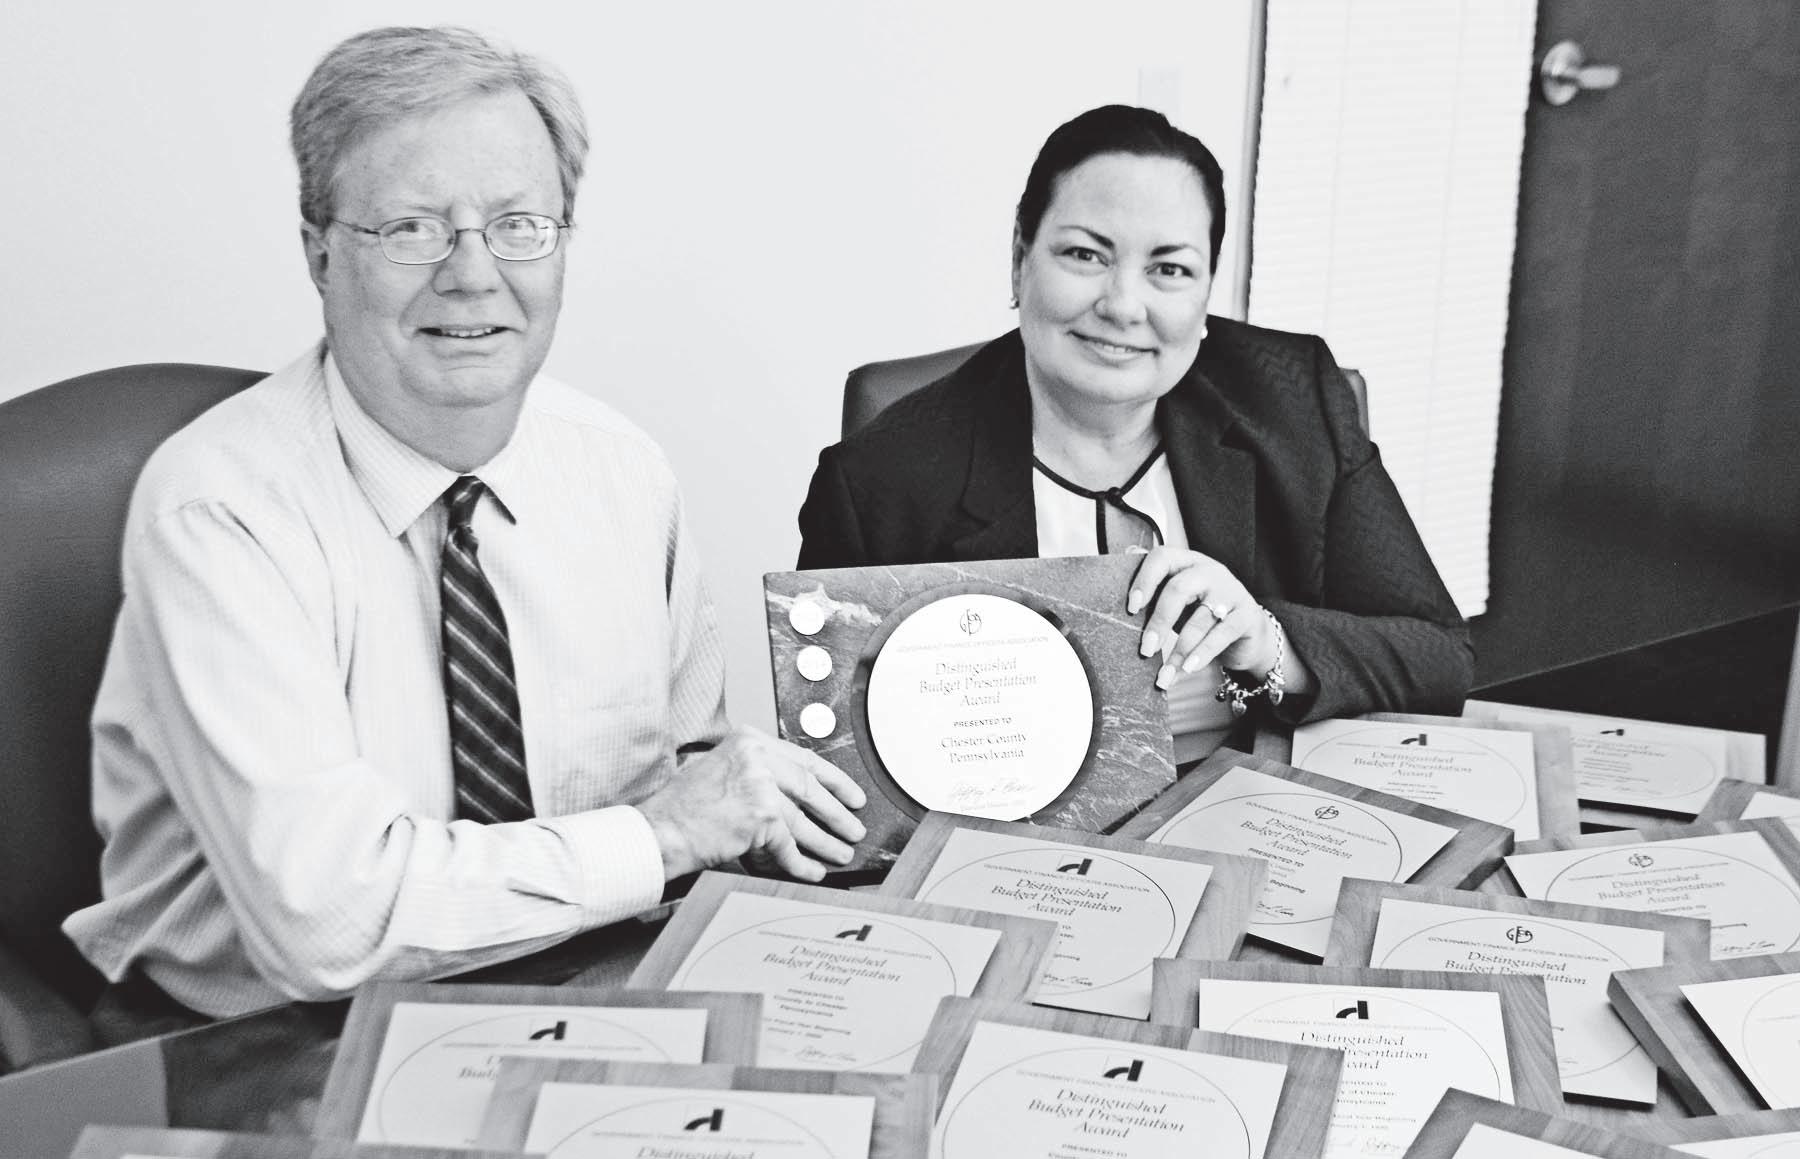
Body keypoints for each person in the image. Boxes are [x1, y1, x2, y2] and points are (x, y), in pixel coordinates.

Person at [65, 26, 864, 1035]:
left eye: (519, 224)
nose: (474, 273)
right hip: (264, 1040)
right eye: (412, 228)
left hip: (585, 983)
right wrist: (662, 834)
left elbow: (690, 777)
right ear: (319, 253)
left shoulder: (623, 473)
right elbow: (329, 924)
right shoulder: (219, 510)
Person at [798, 105, 1472, 756]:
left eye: (1169, 269)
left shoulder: (1293, 402)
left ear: (1206, 292)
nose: (1123, 305)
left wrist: (1266, 642)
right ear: (1020, 260)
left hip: (1253, 798)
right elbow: (840, 754)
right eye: (1085, 255)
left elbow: (1440, 655)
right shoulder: (880, 481)